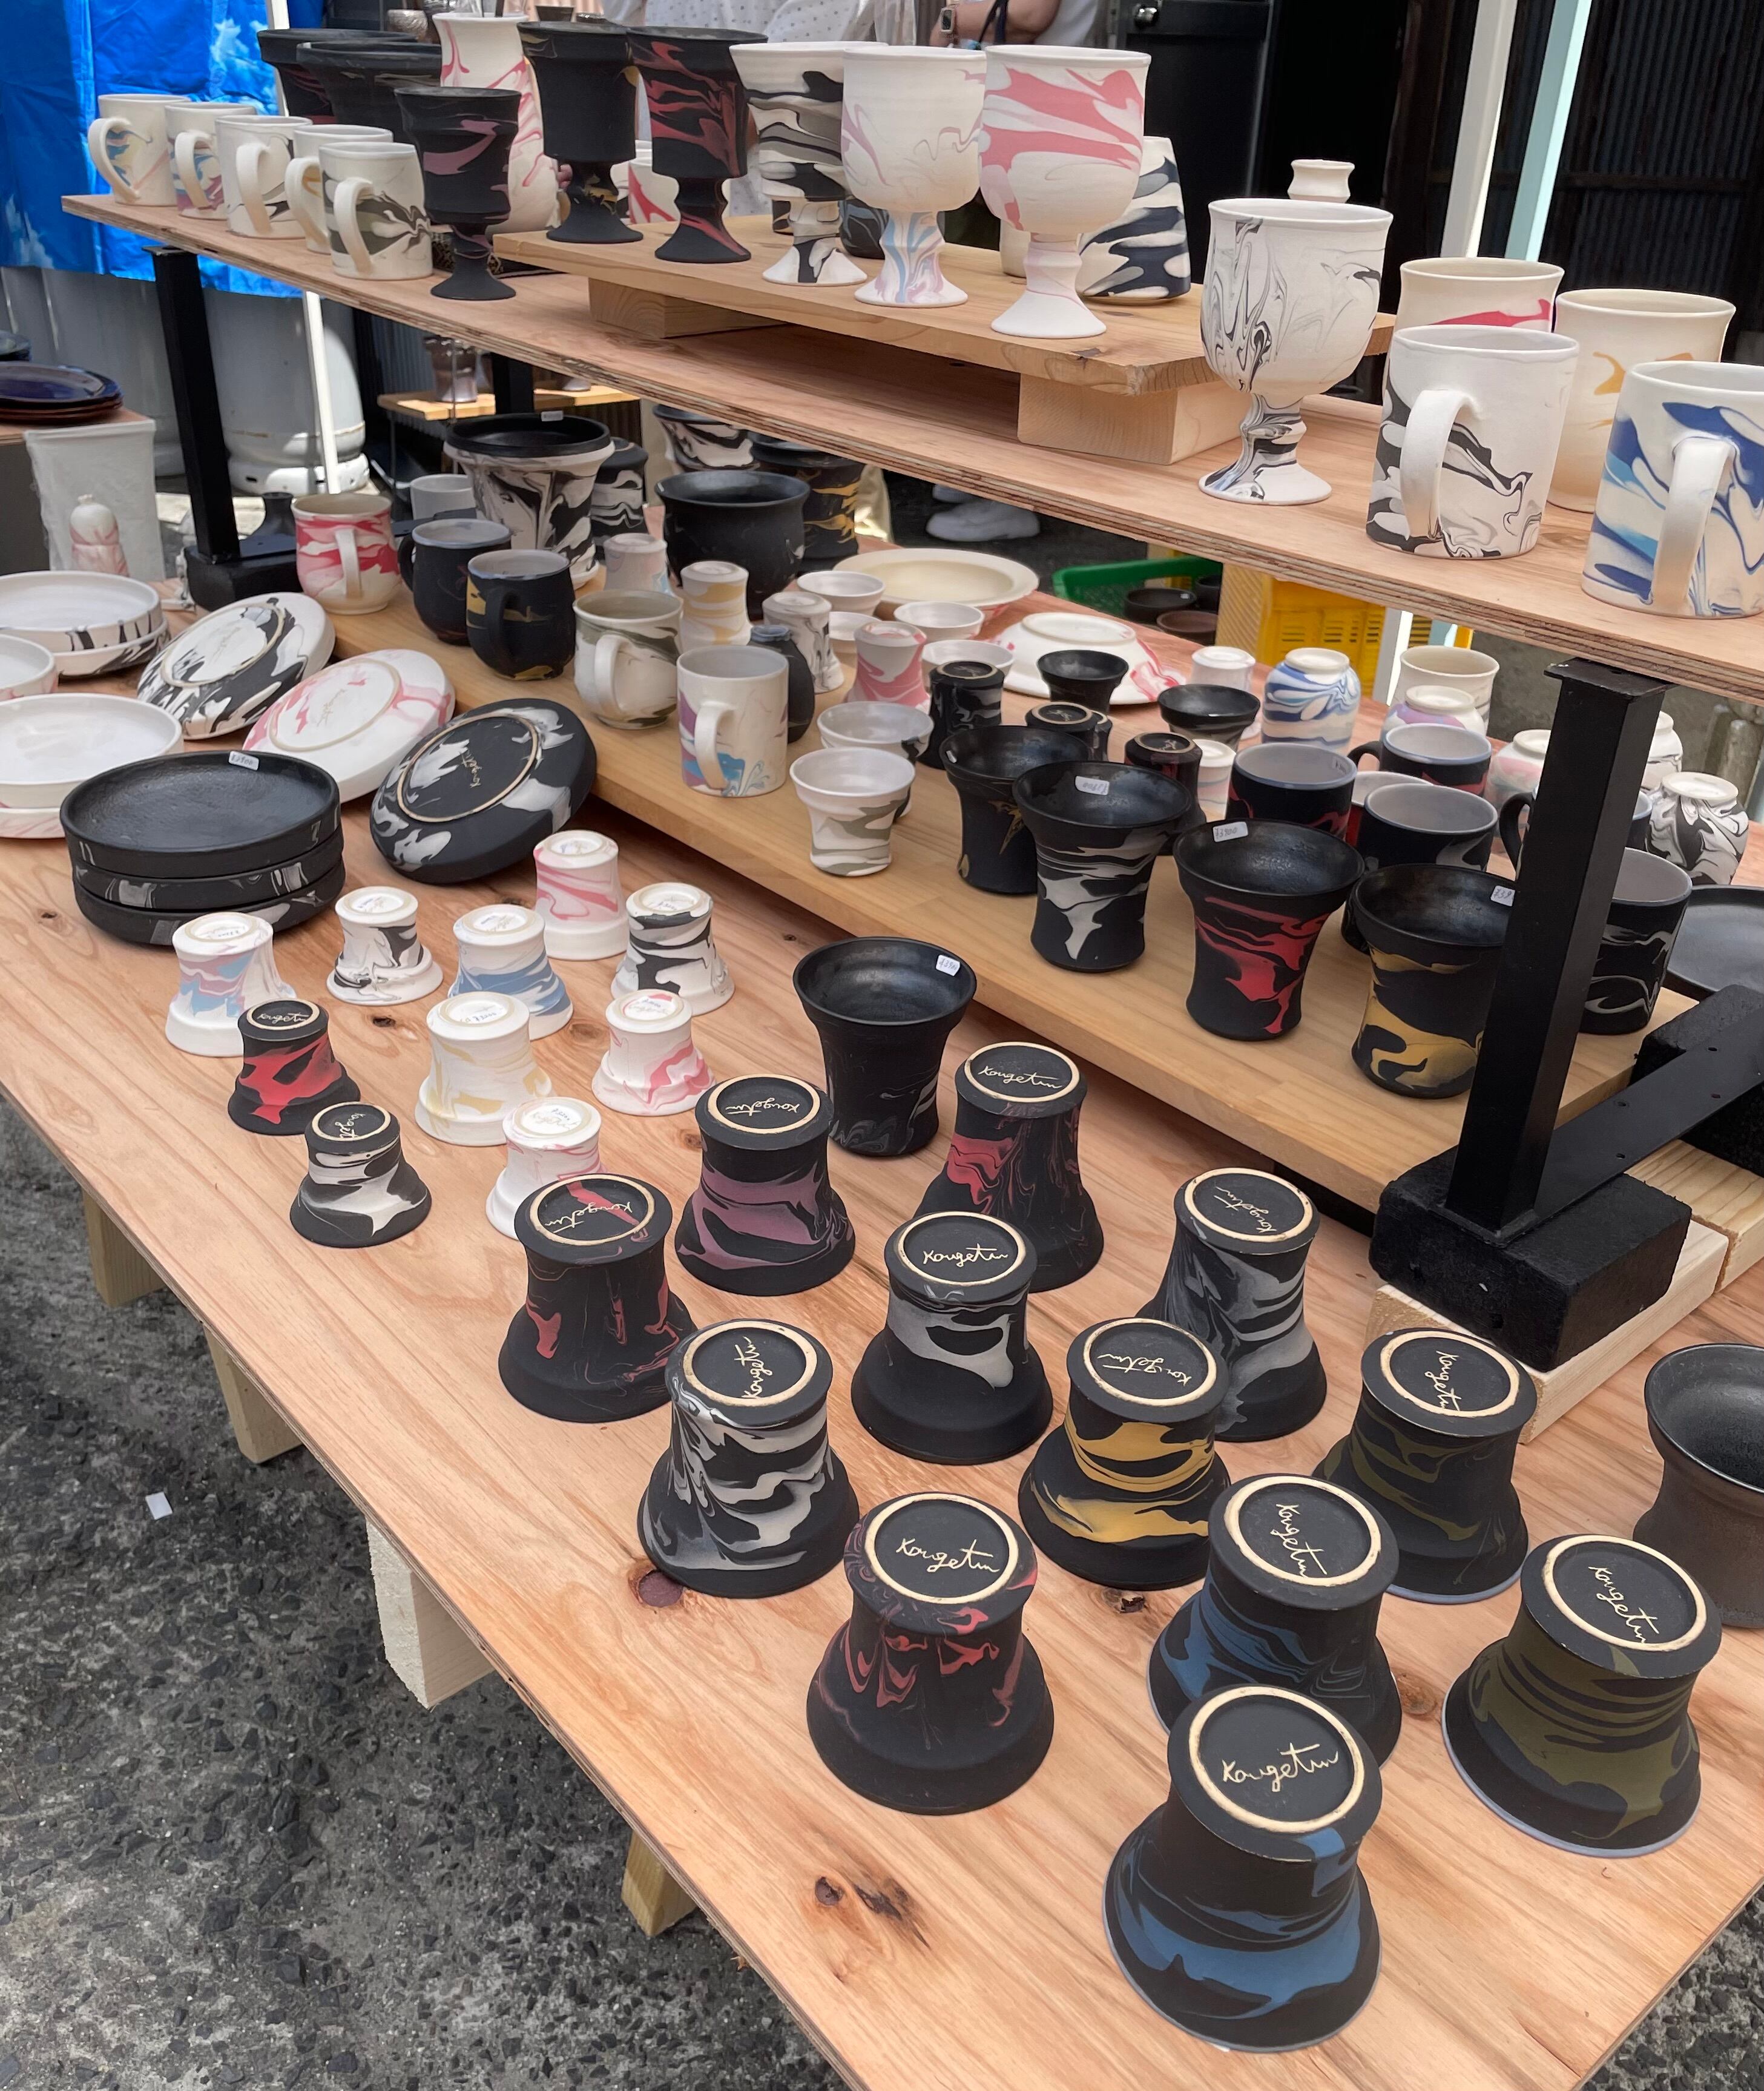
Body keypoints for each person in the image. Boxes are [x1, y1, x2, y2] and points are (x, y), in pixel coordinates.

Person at [920, 0, 1100, 541]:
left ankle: (1007, 491)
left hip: (1036, 112)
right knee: (988, 301)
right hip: (1026, 108)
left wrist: (949, 20)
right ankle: (980, 468)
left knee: (1009, 304)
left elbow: (1027, 13)